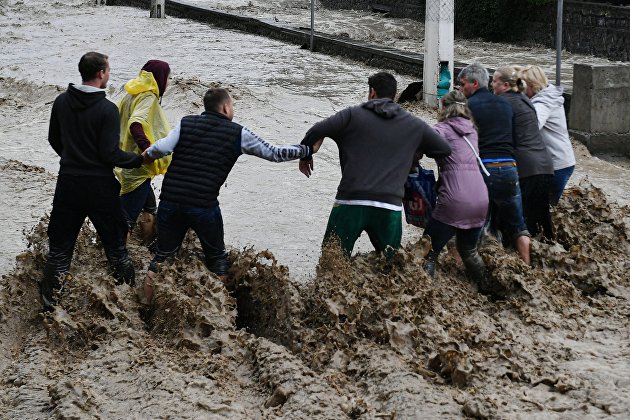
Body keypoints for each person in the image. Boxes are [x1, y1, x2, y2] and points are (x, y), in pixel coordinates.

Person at [141, 87, 314, 302]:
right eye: (232, 105)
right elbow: (275, 153)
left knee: (162, 257)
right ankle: (217, 314)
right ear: (225, 107)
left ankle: (146, 305)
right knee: (217, 260)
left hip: (170, 202)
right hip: (203, 207)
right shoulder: (238, 133)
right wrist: (307, 150)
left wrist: (145, 156)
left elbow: (159, 149)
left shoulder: (186, 123)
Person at [299, 72, 451, 258]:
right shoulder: (414, 125)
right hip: (389, 207)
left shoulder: (350, 116)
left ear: (372, 92)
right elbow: (444, 149)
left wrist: (306, 153)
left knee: (332, 262)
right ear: (394, 95)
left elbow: (317, 130)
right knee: (391, 267)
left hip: (351, 201)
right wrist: (414, 153)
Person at [43, 52, 144, 308]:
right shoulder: (107, 109)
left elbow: (54, 140)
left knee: (59, 252)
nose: (109, 74)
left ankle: (49, 308)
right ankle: (128, 306)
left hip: (68, 183)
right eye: (108, 70)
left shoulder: (61, 102)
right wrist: (138, 160)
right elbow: (109, 154)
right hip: (100, 187)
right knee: (117, 250)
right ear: (100, 73)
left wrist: (72, 158)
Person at [457, 63, 531, 264]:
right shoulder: (505, 104)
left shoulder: (467, 107)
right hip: (509, 168)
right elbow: (514, 139)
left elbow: (463, 142)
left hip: (484, 169)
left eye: (463, 85)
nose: (461, 89)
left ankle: (475, 270)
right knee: (518, 224)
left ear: (474, 84)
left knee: (477, 223)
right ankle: (528, 269)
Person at [423, 91, 490, 290]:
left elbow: (420, 144)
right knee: (469, 250)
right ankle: (487, 288)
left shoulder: (440, 130)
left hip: (455, 198)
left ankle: (424, 296)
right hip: (480, 197)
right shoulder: (473, 131)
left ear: (443, 108)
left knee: (428, 251)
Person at [492, 66, 555, 240]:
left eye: (494, 81)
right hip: (545, 165)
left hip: (526, 168)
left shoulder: (502, 103)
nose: (491, 85)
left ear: (505, 85)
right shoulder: (525, 100)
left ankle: (519, 261)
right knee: (542, 222)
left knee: (518, 221)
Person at [115, 60, 172, 242]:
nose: (169, 82)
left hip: (126, 164)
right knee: (126, 222)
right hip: (138, 170)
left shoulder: (131, 95)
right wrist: (148, 151)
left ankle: (146, 248)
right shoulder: (148, 97)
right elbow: (136, 124)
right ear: (160, 78)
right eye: (168, 77)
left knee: (150, 209)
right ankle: (118, 260)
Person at [518, 65, 576, 205]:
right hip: (559, 162)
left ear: (532, 85)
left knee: (542, 207)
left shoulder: (544, 102)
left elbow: (533, 125)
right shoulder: (548, 95)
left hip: (556, 165)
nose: (520, 90)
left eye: (522, 86)